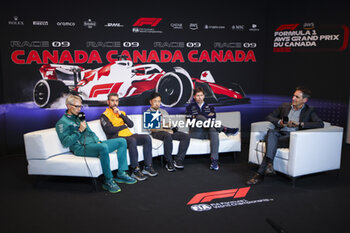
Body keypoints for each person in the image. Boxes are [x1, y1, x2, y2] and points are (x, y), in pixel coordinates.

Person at [55, 94, 136, 194]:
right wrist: (79, 131)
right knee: (103, 147)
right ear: (68, 106)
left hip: (94, 144)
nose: (79, 109)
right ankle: (108, 180)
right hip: (80, 148)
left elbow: (90, 132)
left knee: (121, 141)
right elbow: (66, 142)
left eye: (80, 106)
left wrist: (97, 140)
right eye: (77, 106)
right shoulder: (62, 123)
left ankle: (121, 173)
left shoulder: (80, 117)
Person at [246, 86, 324, 185]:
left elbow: (320, 124)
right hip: (280, 133)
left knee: (270, 142)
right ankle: (269, 165)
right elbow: (269, 116)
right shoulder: (285, 106)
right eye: (293, 96)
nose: (293, 98)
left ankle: (260, 174)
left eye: (297, 97)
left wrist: (299, 124)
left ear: (304, 100)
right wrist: (280, 122)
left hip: (292, 137)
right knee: (271, 132)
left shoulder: (309, 110)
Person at [100, 93, 158, 181]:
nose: (115, 103)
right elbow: (109, 130)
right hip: (117, 138)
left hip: (129, 135)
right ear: (108, 102)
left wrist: (121, 115)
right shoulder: (104, 115)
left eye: (116, 101)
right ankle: (135, 170)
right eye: (112, 100)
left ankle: (147, 166)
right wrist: (123, 126)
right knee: (132, 140)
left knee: (146, 138)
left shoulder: (122, 113)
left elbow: (131, 124)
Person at [185, 87, 239, 170]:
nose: (200, 97)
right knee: (200, 117)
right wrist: (202, 117)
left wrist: (198, 117)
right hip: (195, 132)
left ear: (204, 96)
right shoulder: (189, 108)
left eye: (201, 95)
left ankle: (214, 161)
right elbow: (190, 121)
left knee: (213, 130)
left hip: (207, 132)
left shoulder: (210, 108)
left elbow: (212, 120)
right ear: (194, 97)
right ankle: (225, 129)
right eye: (198, 95)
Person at [147, 92, 190, 171]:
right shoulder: (148, 112)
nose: (157, 103)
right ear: (151, 102)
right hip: (156, 133)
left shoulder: (163, 112)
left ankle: (178, 160)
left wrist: (168, 127)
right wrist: (164, 128)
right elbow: (153, 128)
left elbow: (169, 123)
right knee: (167, 135)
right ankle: (169, 161)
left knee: (185, 136)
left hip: (166, 131)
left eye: (159, 101)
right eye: (155, 101)